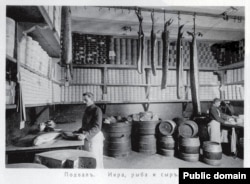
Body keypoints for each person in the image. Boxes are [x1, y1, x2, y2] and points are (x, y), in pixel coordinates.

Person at [74, 92, 104, 168]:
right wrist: (79, 131)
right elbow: (86, 125)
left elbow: (97, 127)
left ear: (91, 99)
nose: (84, 102)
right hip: (87, 137)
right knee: (88, 157)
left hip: (94, 137)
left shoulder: (97, 110)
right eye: (83, 100)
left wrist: (85, 135)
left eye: (86, 100)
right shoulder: (87, 109)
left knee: (94, 157)